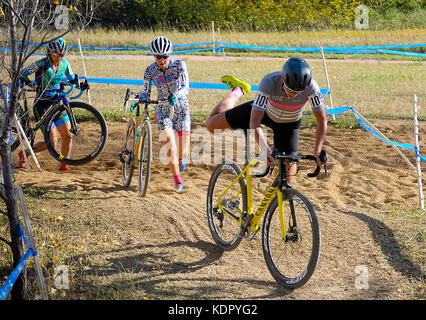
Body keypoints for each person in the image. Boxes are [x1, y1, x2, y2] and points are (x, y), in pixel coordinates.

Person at [206, 57, 327, 181]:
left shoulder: (312, 88)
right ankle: (238, 91)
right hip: (263, 112)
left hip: (289, 124)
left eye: (299, 92)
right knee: (211, 126)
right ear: (282, 79)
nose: (294, 95)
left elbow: (321, 120)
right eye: (290, 90)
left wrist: (317, 150)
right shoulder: (269, 81)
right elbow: (254, 120)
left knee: (284, 179)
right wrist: (264, 149)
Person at [18, 37, 87, 171]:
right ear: (49, 52)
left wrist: (81, 85)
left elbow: (72, 79)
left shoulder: (65, 64)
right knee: (53, 142)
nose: (59, 58)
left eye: (62, 55)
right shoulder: (41, 64)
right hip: (42, 105)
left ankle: (64, 165)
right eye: (56, 55)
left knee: (67, 135)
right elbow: (23, 74)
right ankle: (24, 153)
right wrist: (31, 84)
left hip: (56, 102)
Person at [139, 36, 191, 193]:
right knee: (170, 143)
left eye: (165, 56)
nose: (162, 60)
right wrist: (143, 99)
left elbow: (186, 87)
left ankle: (180, 162)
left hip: (181, 108)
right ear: (154, 56)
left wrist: (177, 94)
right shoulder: (149, 71)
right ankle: (178, 181)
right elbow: (146, 91)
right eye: (158, 57)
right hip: (162, 110)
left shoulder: (179, 65)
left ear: (170, 54)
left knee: (182, 154)